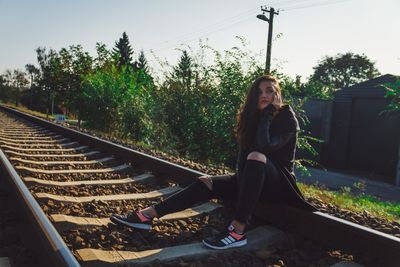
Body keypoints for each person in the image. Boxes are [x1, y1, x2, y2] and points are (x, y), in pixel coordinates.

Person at [110, 75, 316, 250]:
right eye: (259, 92)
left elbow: (264, 149)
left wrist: (269, 113)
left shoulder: (287, 117)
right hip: (253, 180)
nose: (264, 95)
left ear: (277, 95)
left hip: (278, 186)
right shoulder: (252, 118)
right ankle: (148, 215)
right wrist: (233, 186)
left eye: (269, 91)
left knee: (257, 156)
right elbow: (242, 164)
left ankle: (237, 231)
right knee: (205, 181)